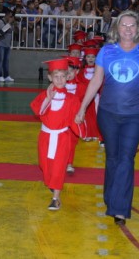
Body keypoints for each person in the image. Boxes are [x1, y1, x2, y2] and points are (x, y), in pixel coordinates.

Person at [75, 10, 139, 225]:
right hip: (108, 115)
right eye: (124, 25)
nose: (128, 29)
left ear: (138, 29)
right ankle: (111, 198)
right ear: (116, 29)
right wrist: (82, 108)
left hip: (134, 116)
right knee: (112, 157)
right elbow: (95, 81)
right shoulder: (106, 52)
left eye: (132, 25)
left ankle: (119, 209)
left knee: (126, 159)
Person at [30, 58, 86, 210]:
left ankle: (56, 198)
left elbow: (77, 119)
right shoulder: (44, 95)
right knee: (45, 166)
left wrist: (81, 128)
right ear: (50, 78)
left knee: (58, 168)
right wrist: (48, 98)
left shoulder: (72, 99)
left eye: (63, 76)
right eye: (56, 77)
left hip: (62, 138)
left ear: (68, 76)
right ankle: (53, 184)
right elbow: (38, 111)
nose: (60, 80)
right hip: (45, 137)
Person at [65, 56, 87, 174]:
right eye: (66, 71)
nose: (68, 74)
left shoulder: (82, 87)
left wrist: (81, 116)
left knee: (72, 142)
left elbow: (84, 105)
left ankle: (69, 163)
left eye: (71, 71)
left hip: (74, 120)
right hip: (61, 119)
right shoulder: (59, 85)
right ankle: (60, 162)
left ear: (77, 71)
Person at [0, 9, 15, 82]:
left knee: (6, 61)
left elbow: (12, 30)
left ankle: (6, 76)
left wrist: (12, 23)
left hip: (7, 45)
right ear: (6, 15)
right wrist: (9, 23)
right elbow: (3, 30)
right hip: (0, 44)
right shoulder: (0, 22)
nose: (11, 17)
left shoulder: (10, 23)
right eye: (10, 16)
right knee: (0, 60)